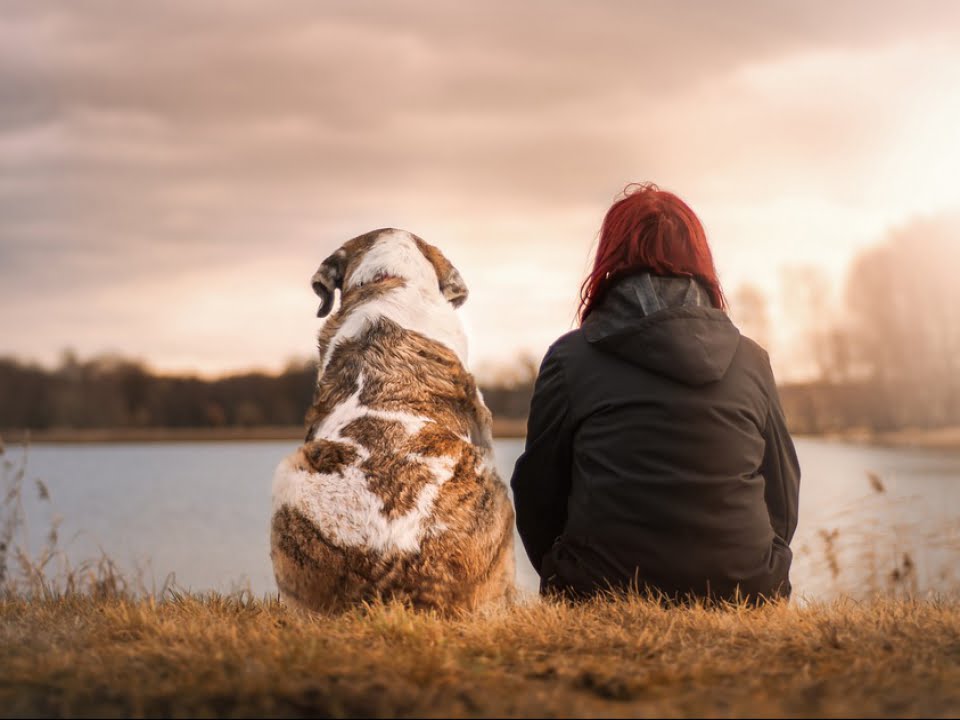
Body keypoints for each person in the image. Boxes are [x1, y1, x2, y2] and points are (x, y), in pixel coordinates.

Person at [510, 183, 801, 603]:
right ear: (699, 259)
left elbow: (538, 492)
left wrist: (563, 573)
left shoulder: (570, 359)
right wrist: (761, 565)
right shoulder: (751, 360)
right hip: (746, 590)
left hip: (599, 589)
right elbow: (783, 491)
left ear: (610, 258)